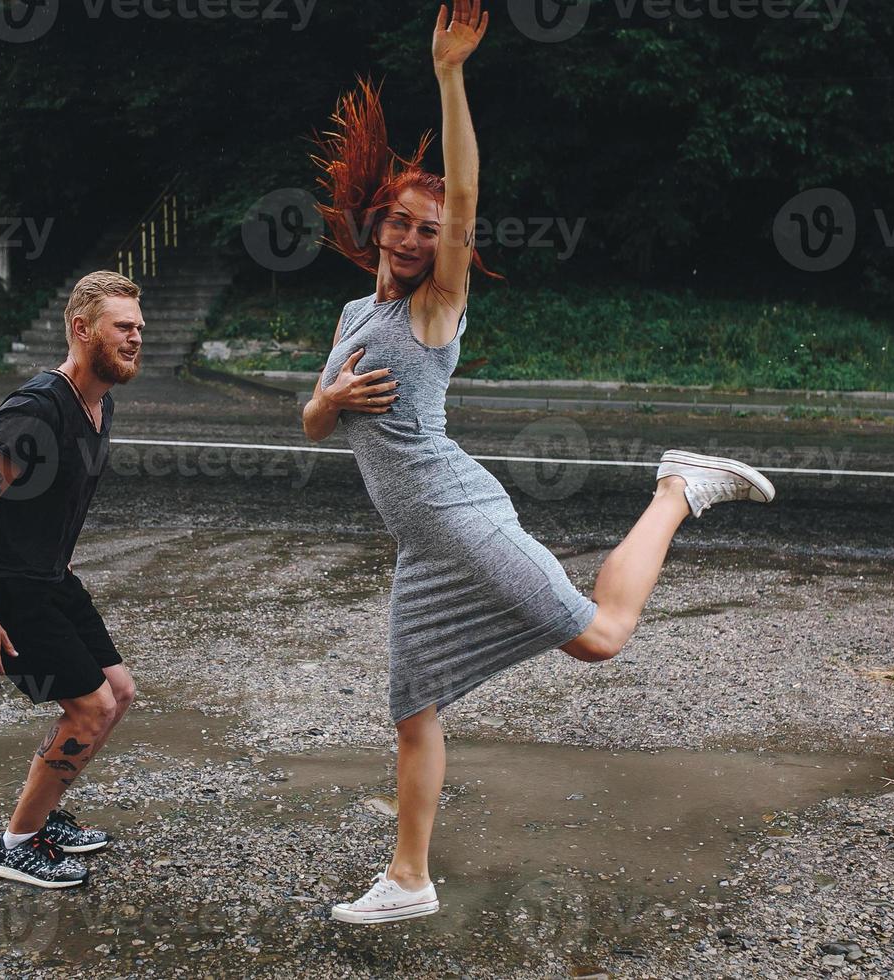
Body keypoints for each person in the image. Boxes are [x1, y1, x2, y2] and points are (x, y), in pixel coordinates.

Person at [303, 1, 776, 924]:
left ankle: (677, 488)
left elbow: (467, 192)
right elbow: (320, 426)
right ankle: (409, 880)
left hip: (457, 515)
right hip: (419, 542)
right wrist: (324, 402)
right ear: (377, 224)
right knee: (413, 707)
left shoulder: (432, 312)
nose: (410, 238)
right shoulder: (356, 316)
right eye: (398, 222)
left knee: (599, 639)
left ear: (448, 248)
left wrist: (449, 77)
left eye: (428, 230)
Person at [0, 270, 144, 888]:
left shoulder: (99, 402)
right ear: (82, 330)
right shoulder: (34, 411)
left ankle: (45, 816)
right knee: (88, 710)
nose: (136, 338)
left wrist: (59, 555)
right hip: (3, 584)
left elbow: (54, 499)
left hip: (47, 575)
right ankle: (16, 844)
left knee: (119, 692)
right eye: (123, 327)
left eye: (140, 328)